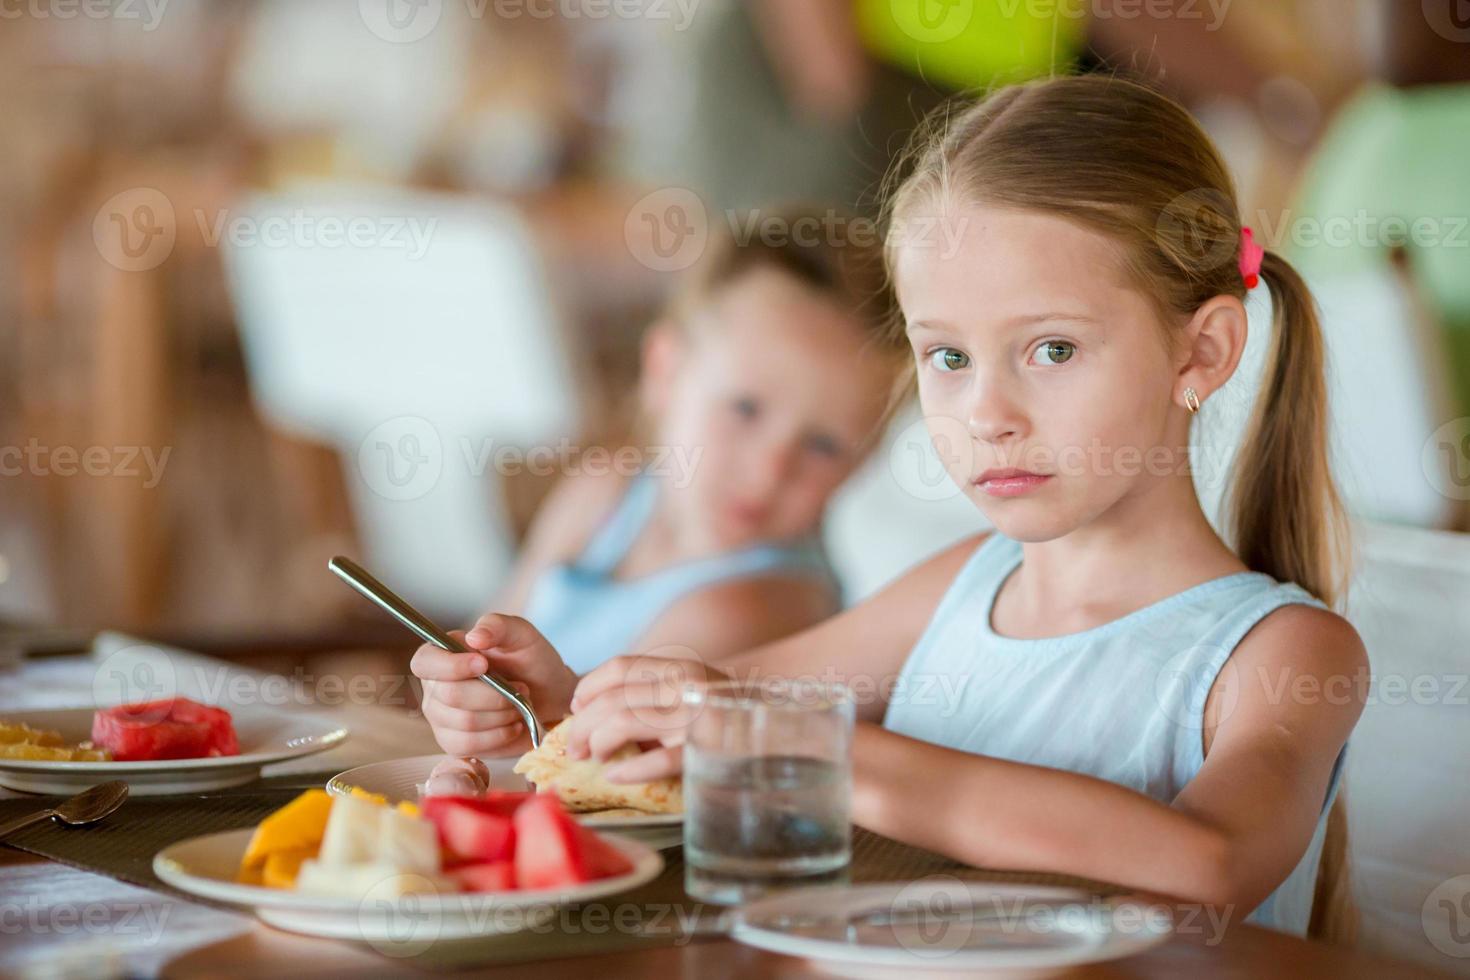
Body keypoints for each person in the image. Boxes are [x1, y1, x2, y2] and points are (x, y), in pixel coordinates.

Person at [412, 77, 1367, 937]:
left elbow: (1209, 865)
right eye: (948, 357)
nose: (987, 415)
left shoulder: (1282, 652)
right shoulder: (961, 586)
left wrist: (809, 747)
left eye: (1052, 349)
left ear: (1201, 354)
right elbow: (713, 703)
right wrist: (554, 705)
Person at [415, 205, 907, 752]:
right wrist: (460, 694)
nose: (769, 472)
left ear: (865, 459)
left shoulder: (753, 605)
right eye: (745, 408)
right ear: (665, 371)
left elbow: (601, 761)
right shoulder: (606, 491)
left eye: (823, 445)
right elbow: (485, 639)